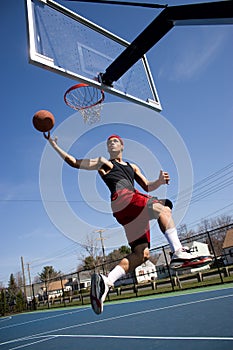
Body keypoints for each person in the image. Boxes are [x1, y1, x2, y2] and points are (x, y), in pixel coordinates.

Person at [44, 133, 212, 314]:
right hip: (124, 198)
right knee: (164, 208)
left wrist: (160, 181)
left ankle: (107, 281)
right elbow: (74, 162)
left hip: (130, 212)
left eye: (114, 141)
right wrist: (54, 146)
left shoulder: (132, 166)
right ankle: (178, 252)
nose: (111, 144)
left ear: (122, 146)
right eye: (108, 143)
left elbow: (147, 186)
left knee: (142, 254)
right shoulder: (104, 163)